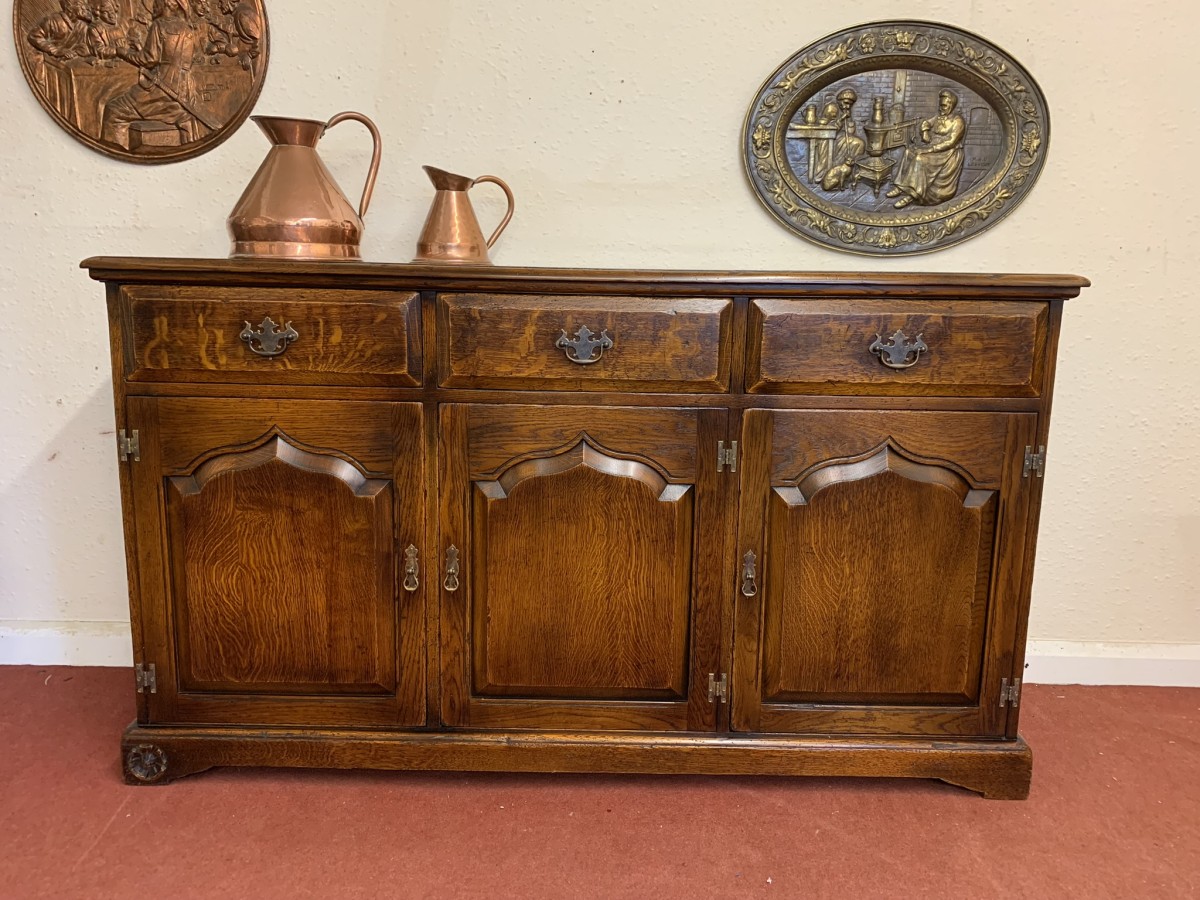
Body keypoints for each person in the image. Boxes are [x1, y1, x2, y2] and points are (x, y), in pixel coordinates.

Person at [101, 0, 202, 148]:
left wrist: (122, 52)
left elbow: (148, 59)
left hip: (162, 89)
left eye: (156, 2)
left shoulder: (159, 25)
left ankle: (116, 153)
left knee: (113, 110)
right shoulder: (188, 29)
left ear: (166, 4)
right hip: (185, 88)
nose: (154, 6)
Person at [887, 89, 966, 209]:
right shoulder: (939, 117)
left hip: (947, 153)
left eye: (944, 106)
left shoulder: (958, 121)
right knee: (909, 152)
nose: (941, 109)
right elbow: (925, 123)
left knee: (920, 159)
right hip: (933, 147)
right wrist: (925, 132)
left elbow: (951, 142)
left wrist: (929, 150)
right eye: (940, 106)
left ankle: (913, 194)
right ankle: (901, 186)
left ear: (951, 105)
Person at [87, 0, 124, 66]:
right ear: (98, 14)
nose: (111, 15)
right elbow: (98, 50)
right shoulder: (95, 29)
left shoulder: (119, 28)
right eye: (105, 12)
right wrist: (117, 51)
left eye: (112, 11)